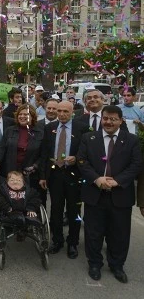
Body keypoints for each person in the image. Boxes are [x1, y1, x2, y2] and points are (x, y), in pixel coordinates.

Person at [77, 105, 143, 283]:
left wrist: (118, 180)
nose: (109, 122)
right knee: (93, 232)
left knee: (120, 234)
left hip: (120, 194)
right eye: (106, 118)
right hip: (95, 193)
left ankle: (117, 265)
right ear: (102, 118)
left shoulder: (131, 140)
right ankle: (95, 264)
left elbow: (136, 165)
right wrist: (97, 179)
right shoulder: (89, 138)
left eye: (113, 119)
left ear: (121, 121)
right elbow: (82, 161)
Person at [39, 101, 86, 259]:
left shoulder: (82, 128)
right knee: (56, 210)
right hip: (55, 174)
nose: (62, 114)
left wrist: (78, 158)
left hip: (74, 174)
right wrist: (43, 176)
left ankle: (73, 242)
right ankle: (57, 240)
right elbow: (44, 153)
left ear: (72, 111)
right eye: (59, 111)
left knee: (74, 211)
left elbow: (88, 151)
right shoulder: (49, 128)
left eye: (65, 111)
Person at [0, 104, 45, 205]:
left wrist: (35, 166)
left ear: (32, 117)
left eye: (26, 114)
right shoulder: (10, 131)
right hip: (10, 172)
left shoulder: (40, 133)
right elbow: (0, 148)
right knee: (9, 200)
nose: (22, 116)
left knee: (26, 201)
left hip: (29, 174)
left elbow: (43, 155)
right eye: (20, 114)